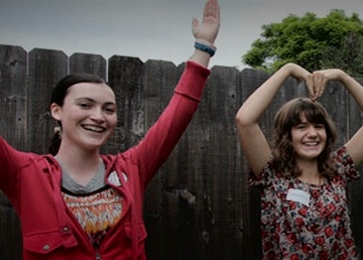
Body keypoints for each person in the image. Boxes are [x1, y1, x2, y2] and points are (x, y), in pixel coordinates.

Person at [0, 0, 219, 258]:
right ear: (56, 111)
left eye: (108, 109)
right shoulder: (24, 174)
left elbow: (178, 114)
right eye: (85, 105)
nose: (98, 116)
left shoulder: (132, 169)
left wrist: (203, 48)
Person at [235, 63, 363, 259]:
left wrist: (342, 76)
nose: (312, 134)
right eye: (301, 127)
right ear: (287, 135)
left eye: (318, 126)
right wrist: (288, 69)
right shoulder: (273, 173)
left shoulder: (338, 168)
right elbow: (244, 120)